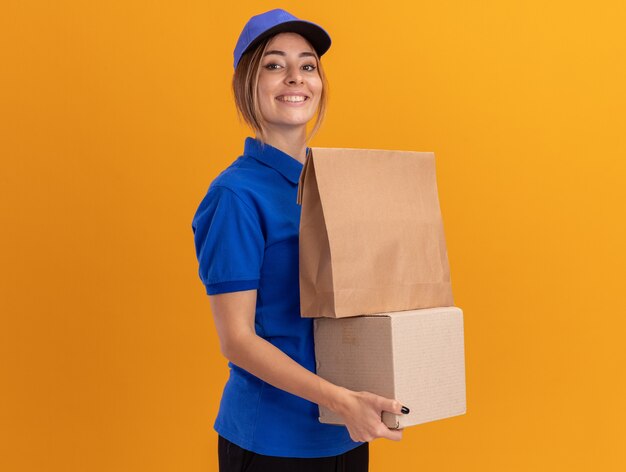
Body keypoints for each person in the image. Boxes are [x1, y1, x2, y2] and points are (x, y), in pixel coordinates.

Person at [191, 9, 408, 471]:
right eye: (274, 65)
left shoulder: (336, 184)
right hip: (274, 442)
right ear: (248, 85)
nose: (295, 77)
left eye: (307, 65)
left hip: (349, 430)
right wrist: (342, 401)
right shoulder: (234, 195)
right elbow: (237, 340)